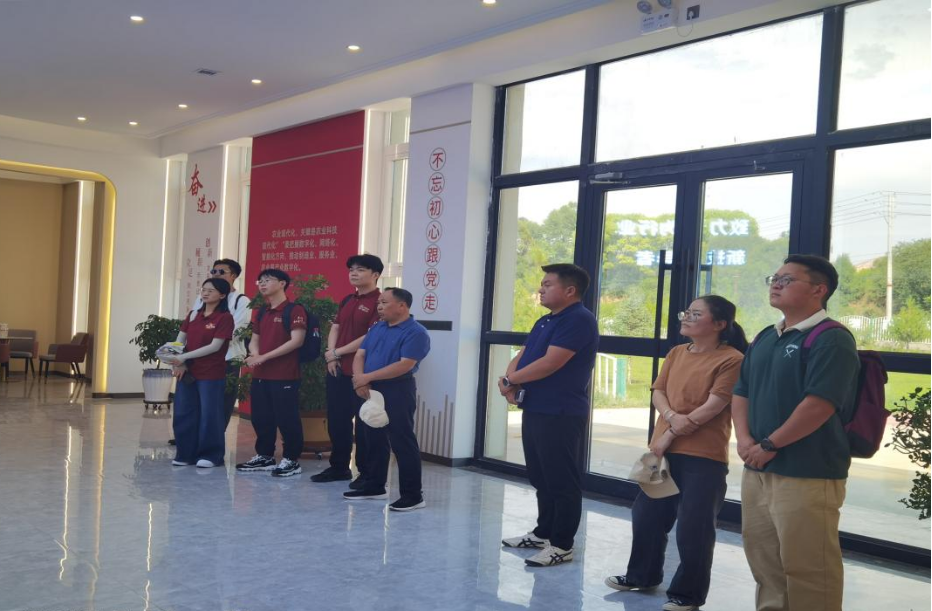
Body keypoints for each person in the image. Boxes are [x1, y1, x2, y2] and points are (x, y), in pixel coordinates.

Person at [733, 254, 859, 611]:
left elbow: (819, 404)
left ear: (819, 290)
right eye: (774, 278)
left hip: (807, 470)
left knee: (808, 567)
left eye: (787, 279)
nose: (776, 284)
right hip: (758, 467)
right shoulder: (765, 336)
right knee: (765, 561)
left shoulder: (831, 339)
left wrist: (770, 443)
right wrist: (745, 441)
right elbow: (741, 391)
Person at [605, 295, 747, 611]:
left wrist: (670, 431)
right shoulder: (677, 352)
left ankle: (688, 594)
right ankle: (642, 576)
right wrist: (670, 418)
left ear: (719, 324)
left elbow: (714, 406)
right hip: (662, 451)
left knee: (694, 528)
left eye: (696, 314)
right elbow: (658, 391)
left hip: (703, 456)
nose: (686, 318)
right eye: (687, 312)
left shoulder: (732, 359)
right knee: (647, 516)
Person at [499, 263, 599, 567]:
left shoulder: (579, 319)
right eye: (542, 284)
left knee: (561, 480)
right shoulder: (546, 320)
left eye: (547, 284)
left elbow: (551, 363)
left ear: (570, 290)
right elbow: (523, 354)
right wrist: (509, 380)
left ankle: (562, 545)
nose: (541, 289)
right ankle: (543, 533)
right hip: (536, 406)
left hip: (561, 411)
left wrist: (512, 380)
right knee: (541, 475)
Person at [343, 288, 431, 512]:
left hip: (397, 389)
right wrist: (360, 381)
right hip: (370, 388)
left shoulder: (416, 332)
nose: (379, 307)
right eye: (379, 303)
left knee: (402, 441)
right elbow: (360, 354)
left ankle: (413, 495)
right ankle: (374, 486)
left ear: (402, 306)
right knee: (372, 437)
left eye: (384, 303)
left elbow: (404, 365)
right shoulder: (377, 327)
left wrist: (366, 378)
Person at [311, 254, 383, 488]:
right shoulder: (347, 299)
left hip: (362, 372)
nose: (354, 273)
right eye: (351, 269)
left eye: (360, 269)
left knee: (364, 423)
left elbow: (370, 336)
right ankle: (339, 467)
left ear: (375, 275)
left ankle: (365, 472)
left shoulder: (380, 302)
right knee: (337, 420)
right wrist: (332, 354)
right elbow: (335, 327)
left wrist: (337, 352)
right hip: (338, 369)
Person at [235, 268, 308, 478]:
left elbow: (297, 341)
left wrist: (264, 357)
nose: (262, 284)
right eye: (260, 280)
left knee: (287, 419)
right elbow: (254, 340)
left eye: (267, 280)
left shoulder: (294, 310)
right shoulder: (262, 311)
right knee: (261, 418)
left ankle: (291, 459)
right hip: (261, 375)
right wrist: (255, 354)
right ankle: (265, 456)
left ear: (282, 283)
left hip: (285, 375)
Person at [166, 278, 235, 468]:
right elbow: (179, 341)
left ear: (222, 295)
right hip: (188, 371)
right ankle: (185, 453)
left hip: (211, 373)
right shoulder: (193, 315)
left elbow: (215, 346)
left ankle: (211, 455)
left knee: (210, 414)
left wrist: (184, 357)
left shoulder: (224, 318)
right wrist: (178, 361)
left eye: (210, 291)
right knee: (183, 412)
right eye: (203, 289)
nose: (205, 293)